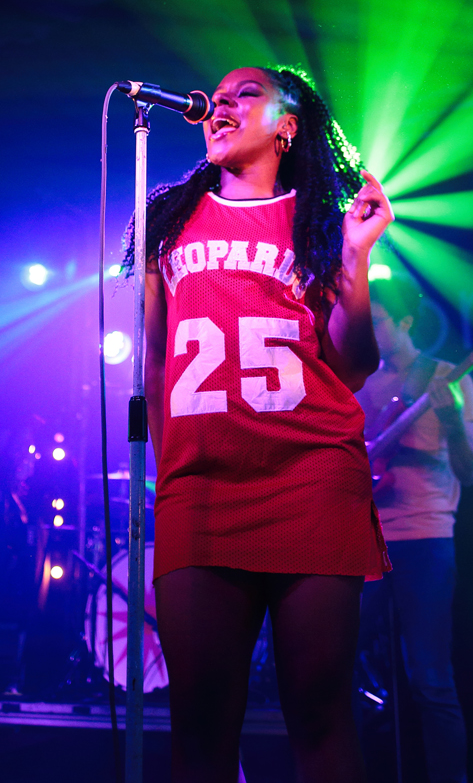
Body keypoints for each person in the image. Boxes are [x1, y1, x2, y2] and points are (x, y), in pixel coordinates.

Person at [133, 65, 394, 783]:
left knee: (318, 715)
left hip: (311, 478)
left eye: (246, 94)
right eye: (218, 96)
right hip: (200, 490)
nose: (221, 103)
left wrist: (355, 259)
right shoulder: (166, 220)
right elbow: (153, 361)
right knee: (199, 726)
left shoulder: (322, 221)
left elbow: (354, 367)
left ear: (287, 126)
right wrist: (169, 474)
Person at [354, 295, 473, 783]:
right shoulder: (356, 383)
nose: (369, 332)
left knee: (430, 678)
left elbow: (470, 471)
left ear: (406, 321)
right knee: (334, 666)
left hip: (425, 536)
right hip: (362, 538)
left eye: (378, 321)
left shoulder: (447, 376)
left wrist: (451, 422)